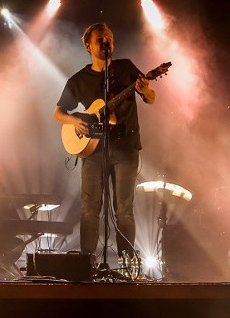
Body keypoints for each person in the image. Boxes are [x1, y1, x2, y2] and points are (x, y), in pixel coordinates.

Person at [53, 22, 156, 265]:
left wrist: (147, 89)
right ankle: (86, 262)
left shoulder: (126, 68)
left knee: (124, 210)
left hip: (125, 148)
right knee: (90, 208)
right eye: (100, 39)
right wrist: (75, 122)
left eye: (108, 37)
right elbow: (58, 112)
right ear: (89, 46)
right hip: (93, 152)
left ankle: (128, 263)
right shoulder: (80, 79)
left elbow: (149, 99)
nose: (106, 41)